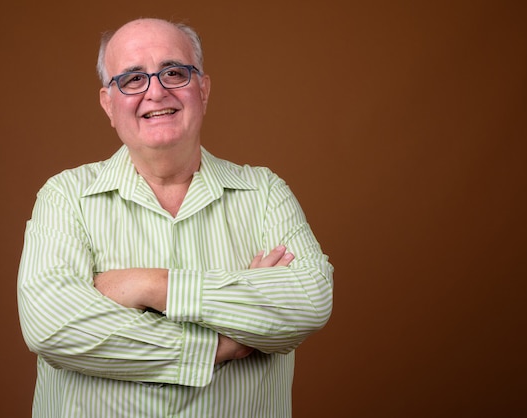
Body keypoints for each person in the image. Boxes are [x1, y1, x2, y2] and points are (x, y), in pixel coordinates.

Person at [17, 17, 333, 418]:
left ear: (203, 90)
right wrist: (218, 345)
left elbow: (309, 301)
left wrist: (148, 285)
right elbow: (51, 327)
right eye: (132, 79)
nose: (155, 91)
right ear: (108, 103)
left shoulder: (265, 192)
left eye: (173, 72)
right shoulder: (65, 197)